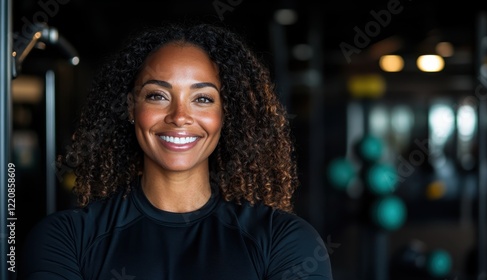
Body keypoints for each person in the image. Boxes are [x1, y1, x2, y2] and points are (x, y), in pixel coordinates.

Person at [18, 21, 333, 280]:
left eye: (203, 99)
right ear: (131, 108)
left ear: (226, 114)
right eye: (157, 96)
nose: (180, 116)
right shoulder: (66, 240)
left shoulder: (285, 241)